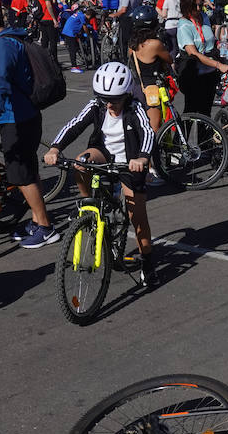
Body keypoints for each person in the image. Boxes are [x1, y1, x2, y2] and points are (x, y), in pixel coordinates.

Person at [44, 62, 158, 288]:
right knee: (80, 162)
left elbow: (147, 133)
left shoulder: (135, 109)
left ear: (126, 94)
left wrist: (143, 159)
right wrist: (55, 148)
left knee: (138, 218)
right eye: (104, 98)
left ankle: (148, 262)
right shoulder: (96, 105)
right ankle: (89, 205)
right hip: (104, 154)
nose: (109, 104)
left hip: (130, 162)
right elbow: (75, 125)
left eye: (114, 99)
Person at [0, 1, 58, 248]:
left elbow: (0, 80)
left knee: (22, 176)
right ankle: (37, 220)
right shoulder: (8, 41)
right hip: (21, 115)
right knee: (28, 172)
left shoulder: (3, 46)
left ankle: (45, 227)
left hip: (16, 118)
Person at [176, 0, 228, 116]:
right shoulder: (184, 24)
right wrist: (219, 65)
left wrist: (219, 46)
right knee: (191, 112)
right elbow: (193, 53)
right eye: (194, 6)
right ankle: (182, 137)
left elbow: (210, 41)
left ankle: (205, 137)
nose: (198, 9)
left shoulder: (204, 17)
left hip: (209, 73)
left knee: (206, 112)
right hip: (193, 73)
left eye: (200, 5)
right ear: (186, 6)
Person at [33, 0, 59, 64]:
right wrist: (54, 19)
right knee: (53, 41)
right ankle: (54, 62)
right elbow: (48, 4)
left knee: (44, 40)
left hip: (40, 16)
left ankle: (43, 61)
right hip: (48, 16)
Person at [61, 2, 89, 73]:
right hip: (70, 33)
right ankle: (74, 66)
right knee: (72, 50)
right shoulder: (82, 16)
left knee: (73, 48)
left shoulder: (76, 14)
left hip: (66, 31)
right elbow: (84, 26)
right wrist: (88, 34)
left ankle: (75, 64)